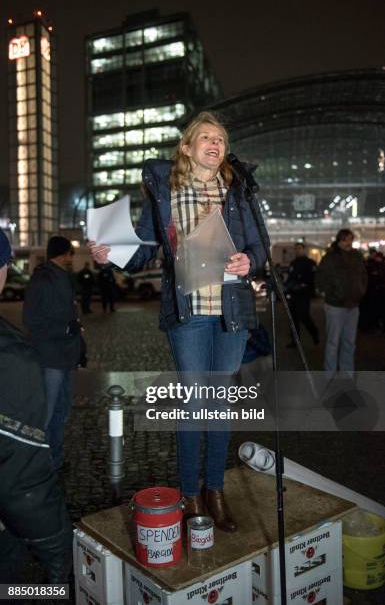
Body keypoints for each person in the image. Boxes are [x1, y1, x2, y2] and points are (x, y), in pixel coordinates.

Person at [89, 111, 268, 531]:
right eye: (205, 137)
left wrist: (249, 261)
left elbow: (260, 245)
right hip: (188, 311)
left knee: (220, 403)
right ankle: (190, 493)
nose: (214, 143)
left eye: (221, 139)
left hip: (231, 310)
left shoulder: (238, 188)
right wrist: (109, 255)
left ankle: (215, 490)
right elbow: (144, 251)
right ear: (187, 147)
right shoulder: (166, 191)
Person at [0, 230, 72, 587]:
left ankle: (54, 455)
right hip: (50, 355)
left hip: (61, 354)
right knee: (40, 421)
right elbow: (21, 477)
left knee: (56, 415)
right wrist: (58, 549)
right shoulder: (11, 358)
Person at [23, 236, 85, 471]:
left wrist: (79, 345)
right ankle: (39, 464)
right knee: (48, 415)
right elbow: (31, 319)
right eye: (71, 253)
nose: (72, 258)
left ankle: (54, 460)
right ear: (65, 254)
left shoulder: (61, 277)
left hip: (65, 356)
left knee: (61, 412)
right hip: (50, 358)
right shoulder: (44, 278)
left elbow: (70, 317)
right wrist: (65, 328)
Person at [316, 229, 367, 372]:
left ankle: (347, 373)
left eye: (350, 239)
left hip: (353, 305)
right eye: (346, 239)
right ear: (339, 240)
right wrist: (332, 293)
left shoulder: (356, 256)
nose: (348, 242)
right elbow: (320, 278)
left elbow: (364, 275)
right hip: (335, 306)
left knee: (349, 343)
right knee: (333, 342)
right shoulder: (330, 257)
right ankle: (330, 374)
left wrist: (361, 291)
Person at [286, 243, 319, 348]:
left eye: (299, 248)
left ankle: (314, 334)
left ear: (304, 249)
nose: (296, 251)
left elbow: (313, 278)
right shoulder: (293, 263)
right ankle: (295, 341)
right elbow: (290, 277)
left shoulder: (310, 263)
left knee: (304, 316)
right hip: (293, 294)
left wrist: (303, 284)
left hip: (304, 294)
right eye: (295, 249)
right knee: (293, 318)